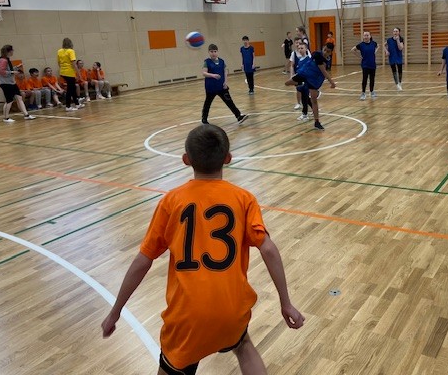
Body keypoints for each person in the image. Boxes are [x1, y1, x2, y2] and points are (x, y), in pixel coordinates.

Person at [101, 124, 305, 375]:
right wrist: (286, 303)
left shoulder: (171, 201)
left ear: (186, 160)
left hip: (187, 316)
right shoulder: (244, 198)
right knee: (243, 345)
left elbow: (143, 261)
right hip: (231, 310)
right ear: (228, 158)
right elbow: (269, 250)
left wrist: (115, 312)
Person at [285, 42, 336, 130]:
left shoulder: (327, 59)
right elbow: (324, 71)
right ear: (323, 47)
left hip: (314, 80)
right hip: (305, 73)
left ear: (331, 52)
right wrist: (332, 82)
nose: (325, 52)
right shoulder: (317, 55)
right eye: (324, 50)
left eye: (328, 51)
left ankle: (317, 122)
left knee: (314, 101)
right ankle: (302, 84)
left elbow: (323, 72)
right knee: (287, 83)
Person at [201, 43, 249, 125]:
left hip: (221, 86)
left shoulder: (222, 61)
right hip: (211, 87)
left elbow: (225, 71)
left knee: (229, 101)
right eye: (211, 51)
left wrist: (225, 82)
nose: (213, 53)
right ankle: (204, 119)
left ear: (217, 52)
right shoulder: (207, 62)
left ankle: (238, 116)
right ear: (209, 52)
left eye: (215, 51)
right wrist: (213, 75)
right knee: (207, 103)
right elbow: (204, 73)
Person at [0, 44, 35, 122]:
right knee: (9, 100)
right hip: (5, 83)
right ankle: (6, 118)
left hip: (12, 83)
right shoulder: (3, 60)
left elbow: (8, 69)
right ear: (9, 51)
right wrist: (13, 72)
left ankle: (26, 115)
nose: (13, 51)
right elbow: (1, 71)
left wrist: (16, 67)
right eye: (12, 50)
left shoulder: (6, 59)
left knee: (19, 98)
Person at [58, 38, 84, 111]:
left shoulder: (59, 51)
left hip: (63, 72)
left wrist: (62, 70)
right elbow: (74, 64)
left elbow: (59, 63)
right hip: (69, 72)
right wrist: (78, 74)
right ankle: (68, 106)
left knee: (72, 88)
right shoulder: (71, 51)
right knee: (70, 89)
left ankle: (77, 104)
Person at [351, 31, 378, 100]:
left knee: (372, 79)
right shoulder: (361, 45)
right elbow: (353, 50)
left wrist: (375, 52)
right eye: (365, 35)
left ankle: (372, 91)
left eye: (367, 35)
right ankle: (363, 93)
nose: (366, 37)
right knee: (365, 79)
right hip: (365, 64)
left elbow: (378, 46)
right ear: (363, 36)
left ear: (370, 36)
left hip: (372, 64)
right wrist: (360, 57)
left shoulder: (373, 43)